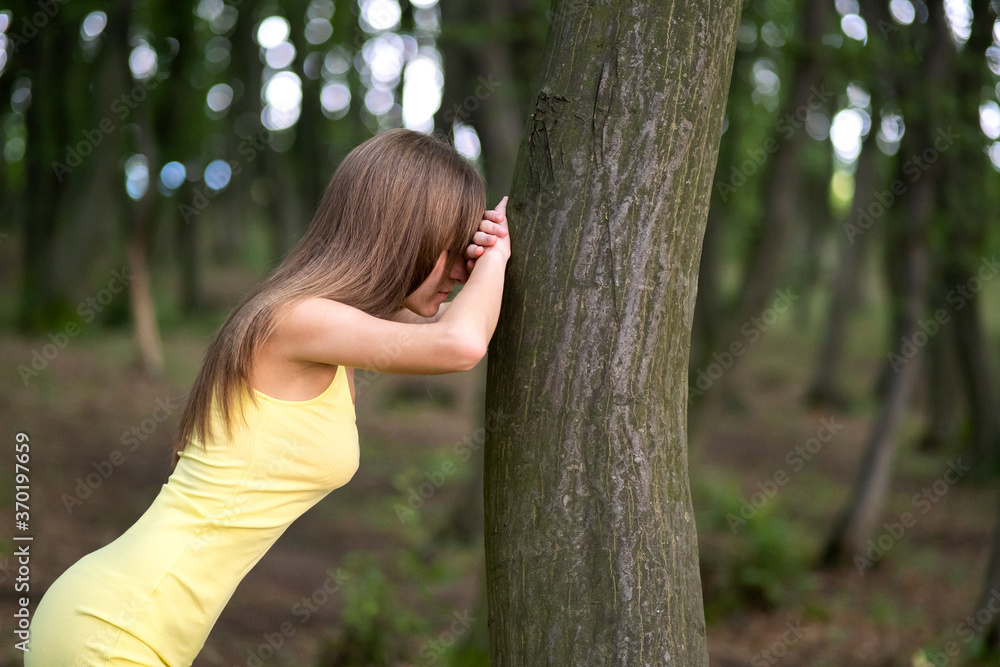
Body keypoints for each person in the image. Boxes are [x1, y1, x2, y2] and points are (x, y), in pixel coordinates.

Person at [26, 128, 511, 665]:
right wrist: (499, 252)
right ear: (403, 233)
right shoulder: (296, 321)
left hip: (135, 624)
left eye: (470, 252)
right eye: (453, 246)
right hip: (114, 629)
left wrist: (484, 262)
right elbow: (461, 343)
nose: (464, 269)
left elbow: (455, 321)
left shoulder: (333, 320)